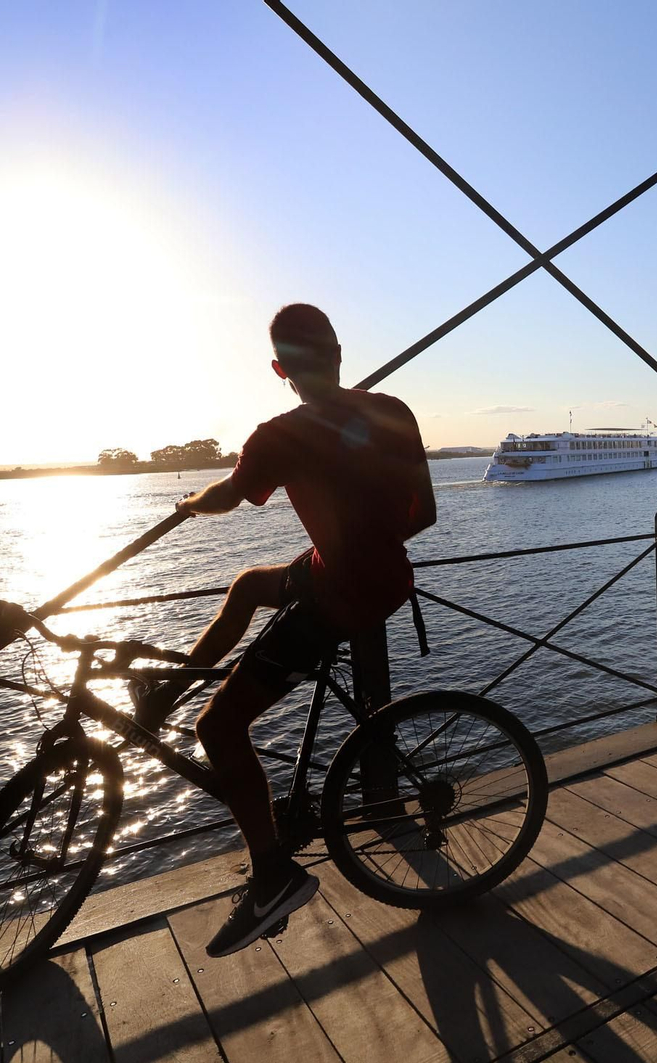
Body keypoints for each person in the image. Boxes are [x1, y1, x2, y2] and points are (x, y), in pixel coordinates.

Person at [133, 303, 436, 957]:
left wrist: (187, 502)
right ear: (337, 352)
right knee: (246, 586)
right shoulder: (395, 411)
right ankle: (167, 692)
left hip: (341, 595)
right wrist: (361, 547)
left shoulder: (279, 435)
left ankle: (274, 875)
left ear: (279, 369)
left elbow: (228, 494)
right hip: (380, 575)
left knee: (217, 728)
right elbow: (425, 512)